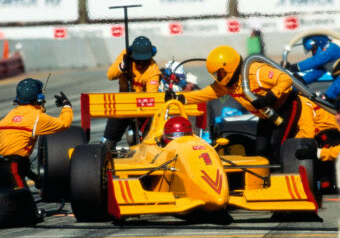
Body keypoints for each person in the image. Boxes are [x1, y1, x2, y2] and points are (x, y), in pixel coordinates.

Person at [165, 45, 301, 165]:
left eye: (220, 73)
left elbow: (286, 79)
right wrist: (178, 97)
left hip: (286, 107)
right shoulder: (226, 85)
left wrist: (270, 96)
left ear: (228, 66)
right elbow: (203, 94)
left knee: (277, 144)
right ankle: (266, 180)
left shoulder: (256, 71)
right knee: (260, 150)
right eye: (216, 75)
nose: (218, 77)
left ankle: (284, 177)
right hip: (267, 115)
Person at [0, 78, 73, 224]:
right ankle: (31, 215)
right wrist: (67, 106)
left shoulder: (10, 115)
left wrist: (35, 178)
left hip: (5, 163)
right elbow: (64, 124)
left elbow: (16, 157)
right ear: (39, 98)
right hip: (13, 166)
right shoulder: (37, 118)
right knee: (22, 197)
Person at [103, 36, 161, 150]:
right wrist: (122, 67)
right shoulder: (125, 56)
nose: (140, 64)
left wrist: (139, 113)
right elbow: (110, 75)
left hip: (142, 106)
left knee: (148, 137)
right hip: (123, 101)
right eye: (138, 60)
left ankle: (144, 148)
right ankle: (107, 150)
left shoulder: (153, 70)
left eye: (145, 61)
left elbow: (151, 97)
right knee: (108, 139)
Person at [285, 35, 340, 103]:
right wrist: (301, 81)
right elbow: (317, 72)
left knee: (329, 98)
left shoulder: (331, 47)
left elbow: (316, 61)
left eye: (313, 49)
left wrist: (293, 67)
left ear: (319, 43)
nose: (313, 53)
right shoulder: (326, 59)